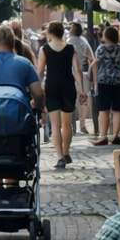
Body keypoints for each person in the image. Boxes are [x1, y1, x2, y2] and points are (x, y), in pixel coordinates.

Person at [36, 21, 80, 169]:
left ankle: (60, 156)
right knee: (67, 124)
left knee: (55, 125)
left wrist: (36, 88)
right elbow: (78, 71)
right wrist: (82, 90)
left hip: (52, 87)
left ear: (49, 33)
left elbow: (40, 71)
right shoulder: (70, 48)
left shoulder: (45, 49)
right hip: (68, 86)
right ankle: (67, 152)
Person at [91, 25, 120, 146]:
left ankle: (103, 136)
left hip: (104, 81)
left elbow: (96, 65)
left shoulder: (101, 49)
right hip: (119, 82)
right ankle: (115, 135)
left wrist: (95, 82)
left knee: (103, 110)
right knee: (118, 110)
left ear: (105, 36)